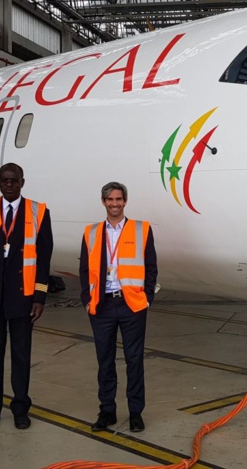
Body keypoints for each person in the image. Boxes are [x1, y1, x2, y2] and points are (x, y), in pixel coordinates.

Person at [0, 163, 53, 431]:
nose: (9, 185)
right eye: (4, 180)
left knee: (21, 357)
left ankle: (20, 409)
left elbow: (43, 256)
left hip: (23, 297)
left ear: (22, 182)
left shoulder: (39, 212)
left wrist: (39, 296)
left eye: (14, 181)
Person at [80, 181, 157, 433]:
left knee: (134, 360)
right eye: (110, 200)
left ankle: (135, 412)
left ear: (125, 201)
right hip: (102, 305)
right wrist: (86, 299)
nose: (115, 204)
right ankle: (107, 411)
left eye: (119, 200)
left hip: (131, 305)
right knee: (105, 361)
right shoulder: (91, 232)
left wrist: (146, 298)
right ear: (103, 202)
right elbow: (84, 270)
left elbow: (151, 267)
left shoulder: (142, 229)